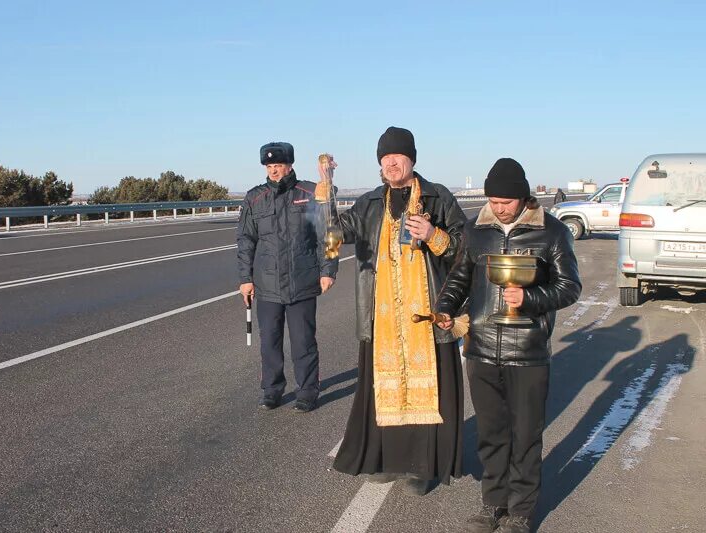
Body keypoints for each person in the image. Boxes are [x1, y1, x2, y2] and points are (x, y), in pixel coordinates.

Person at [435, 158, 582, 533]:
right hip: (480, 348)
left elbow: (570, 288)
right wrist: (445, 308)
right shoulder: (476, 230)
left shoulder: (551, 233)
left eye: (506, 202)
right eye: (493, 201)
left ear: (522, 196)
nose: (498, 209)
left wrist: (529, 299)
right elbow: (459, 278)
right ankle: (493, 503)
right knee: (491, 433)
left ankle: (521, 511)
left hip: (528, 352)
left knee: (526, 435)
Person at [331, 126, 468, 495]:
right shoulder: (371, 203)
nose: (391, 164)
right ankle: (387, 460)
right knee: (383, 387)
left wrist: (434, 235)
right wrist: (325, 190)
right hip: (384, 320)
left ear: (412, 159)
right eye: (384, 159)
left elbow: (466, 250)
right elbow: (334, 233)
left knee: (430, 391)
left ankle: (424, 467)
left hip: (428, 317)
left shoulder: (438, 198)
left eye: (397, 157)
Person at [236, 142, 338, 413]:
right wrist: (245, 278)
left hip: (302, 282)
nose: (274, 171)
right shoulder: (255, 198)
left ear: (290, 165)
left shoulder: (308, 192)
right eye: (269, 167)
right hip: (267, 286)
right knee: (269, 341)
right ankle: (272, 389)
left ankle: (307, 391)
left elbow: (325, 231)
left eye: (278, 166)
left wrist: (328, 270)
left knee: (303, 341)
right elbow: (246, 240)